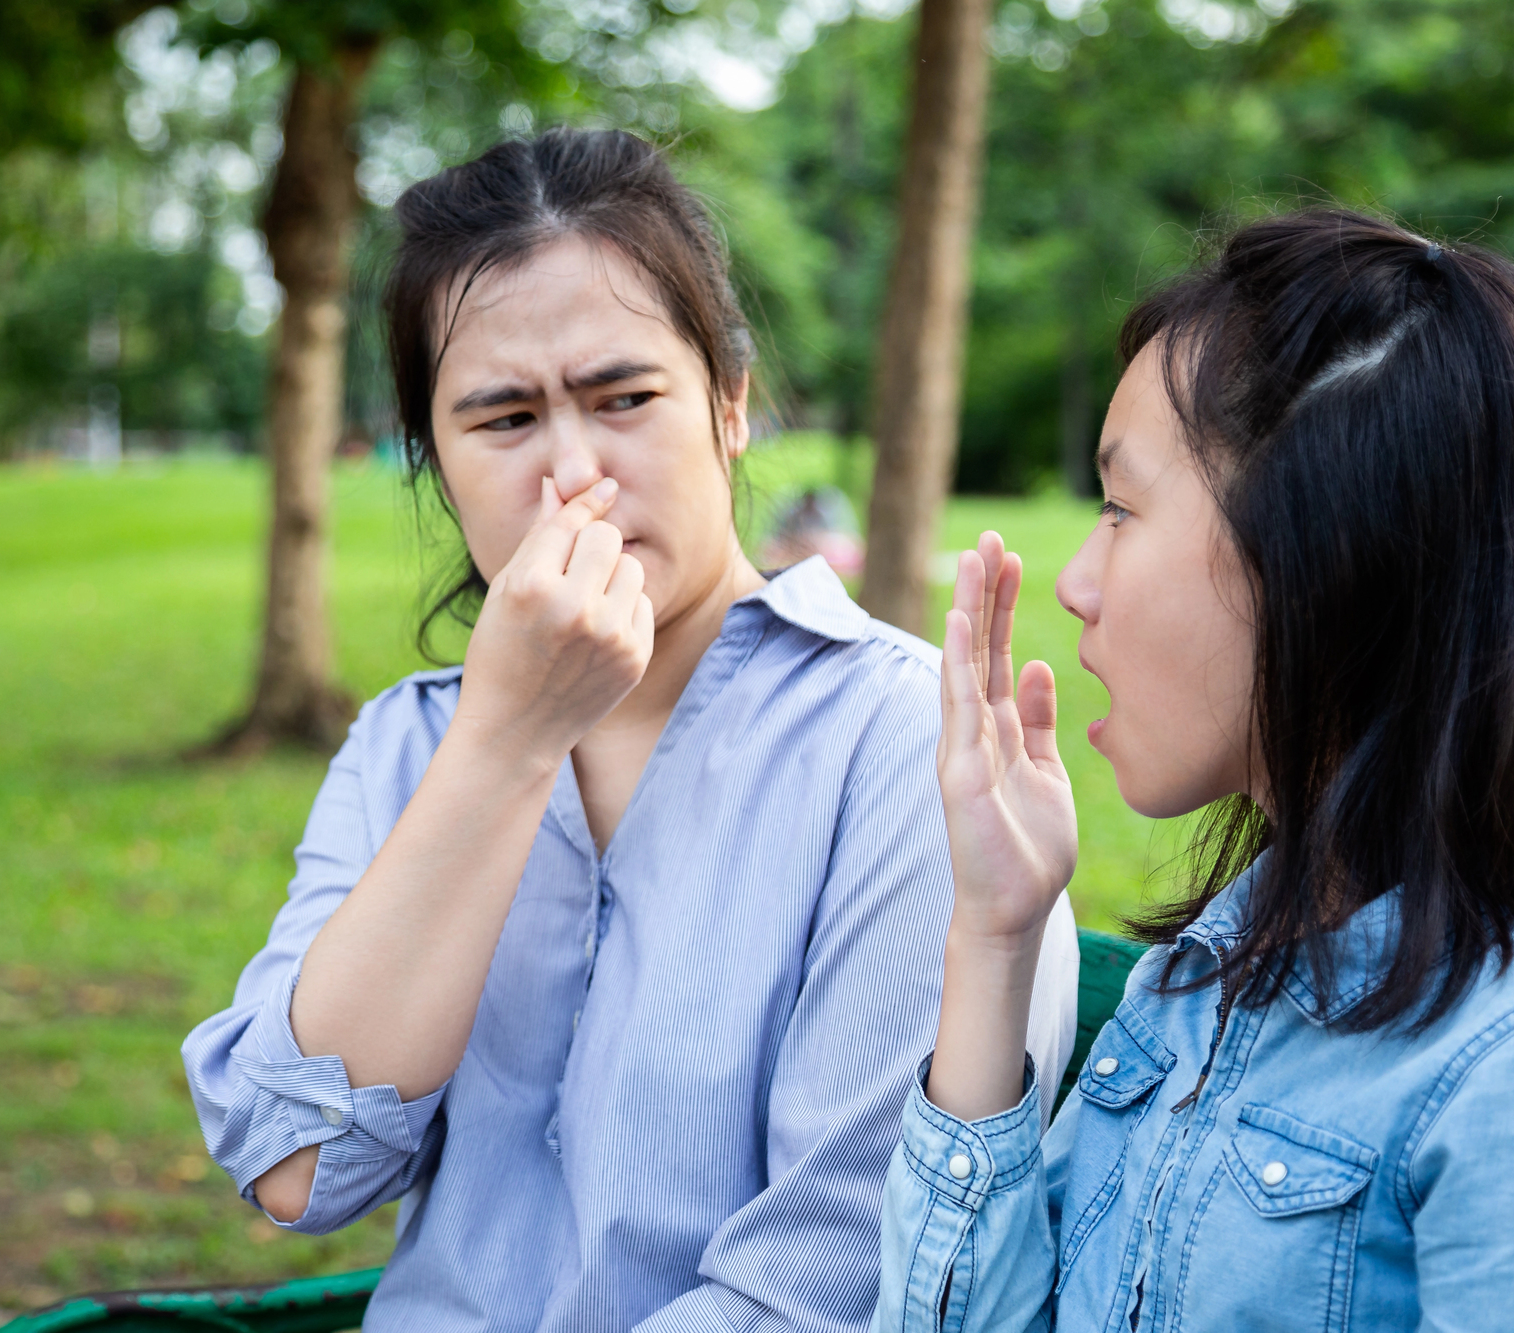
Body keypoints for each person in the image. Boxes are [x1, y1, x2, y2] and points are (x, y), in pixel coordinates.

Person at [181, 127, 1081, 1333]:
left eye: (624, 399)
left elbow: (827, 1285)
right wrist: (502, 746)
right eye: (502, 421)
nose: (573, 474)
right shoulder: (409, 746)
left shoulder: (904, 739)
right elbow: (296, 1166)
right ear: (434, 463)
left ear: (728, 405)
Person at [880, 209, 1514, 1331]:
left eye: (1119, 508)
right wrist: (996, 935)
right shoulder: (1198, 988)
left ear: (1322, 557)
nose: (1078, 584)